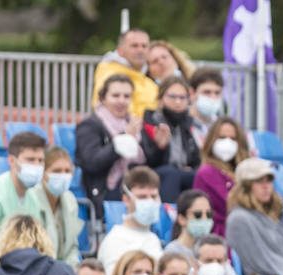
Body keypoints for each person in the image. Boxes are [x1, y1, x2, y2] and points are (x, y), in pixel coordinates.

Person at [75, 74, 146, 211]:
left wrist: (161, 146)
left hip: (134, 182)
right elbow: (92, 162)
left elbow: (148, 160)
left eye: (126, 96)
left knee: (165, 175)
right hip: (105, 188)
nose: (121, 101)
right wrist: (124, 138)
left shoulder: (134, 123)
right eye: (115, 95)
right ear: (103, 98)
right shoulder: (90, 125)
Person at [0, 130, 46, 269]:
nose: (37, 165)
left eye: (40, 160)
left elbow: (36, 247)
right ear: (11, 160)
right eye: (30, 160)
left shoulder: (33, 198)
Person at [140, 76, 201, 203]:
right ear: (160, 100)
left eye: (182, 97)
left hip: (182, 172)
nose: (178, 102)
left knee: (203, 175)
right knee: (170, 174)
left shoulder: (189, 124)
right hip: (156, 175)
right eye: (172, 97)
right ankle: (169, 216)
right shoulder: (150, 123)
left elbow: (195, 158)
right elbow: (147, 161)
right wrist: (160, 148)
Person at [96, 166, 164, 275]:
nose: (150, 202)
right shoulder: (116, 240)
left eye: (154, 196)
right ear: (126, 199)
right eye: (142, 197)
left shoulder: (153, 239)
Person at [193, 116, 250, 236]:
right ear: (212, 140)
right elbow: (232, 205)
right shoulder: (207, 172)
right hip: (221, 234)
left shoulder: (245, 171)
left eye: (233, 139)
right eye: (222, 137)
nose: (227, 142)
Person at [26, 146, 82, 268]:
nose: (63, 175)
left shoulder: (70, 199)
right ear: (43, 173)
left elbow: (72, 246)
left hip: (64, 270)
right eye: (57, 171)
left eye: (67, 171)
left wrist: (72, 272)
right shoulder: (30, 198)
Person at [91, 29, 158, 120]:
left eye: (144, 46)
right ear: (120, 50)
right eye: (134, 46)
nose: (140, 50)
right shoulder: (111, 75)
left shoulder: (149, 81)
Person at [188, 68, 225, 146]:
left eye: (217, 93)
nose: (213, 97)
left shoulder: (221, 126)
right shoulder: (182, 124)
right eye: (207, 92)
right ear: (192, 93)